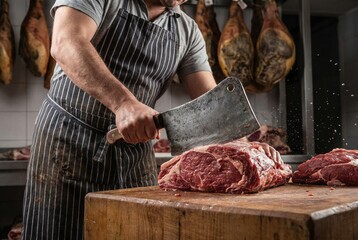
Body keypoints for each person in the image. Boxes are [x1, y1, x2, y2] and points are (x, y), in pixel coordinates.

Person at [21, 0, 217, 239]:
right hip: (68, 144)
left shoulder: (187, 30)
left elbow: (211, 105)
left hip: (134, 155)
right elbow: (66, 42)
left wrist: (246, 150)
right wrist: (123, 104)